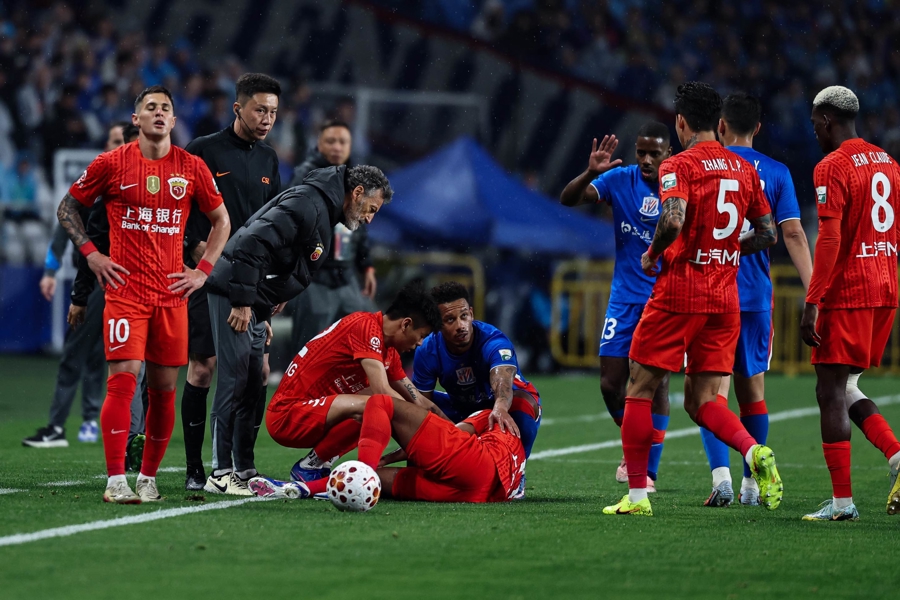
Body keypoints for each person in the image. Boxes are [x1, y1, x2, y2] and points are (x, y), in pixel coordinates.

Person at [603, 82, 780, 517]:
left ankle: (637, 497)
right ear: (718, 123)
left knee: (639, 388)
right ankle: (753, 451)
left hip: (679, 293)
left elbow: (673, 218)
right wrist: (728, 249)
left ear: (681, 122)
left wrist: (653, 253)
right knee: (703, 401)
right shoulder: (743, 169)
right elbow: (768, 233)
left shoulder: (678, 165)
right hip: (725, 300)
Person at [56, 85, 230, 504]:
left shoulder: (191, 167)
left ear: (174, 120)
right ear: (136, 119)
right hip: (125, 294)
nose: (158, 113)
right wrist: (93, 255)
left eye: (165, 108)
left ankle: (147, 478)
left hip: (172, 296)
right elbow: (67, 208)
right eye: (150, 107)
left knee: (163, 391)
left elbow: (221, 221)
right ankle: (116, 480)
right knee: (122, 382)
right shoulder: (111, 163)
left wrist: (202, 272)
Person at [201, 163, 392, 494]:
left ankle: (243, 468)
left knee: (255, 378)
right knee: (234, 379)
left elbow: (278, 263)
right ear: (357, 193)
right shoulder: (308, 202)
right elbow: (251, 244)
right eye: (371, 209)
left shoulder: (324, 211)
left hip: (254, 301)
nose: (369, 219)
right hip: (234, 294)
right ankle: (220, 473)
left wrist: (262, 311)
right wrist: (243, 303)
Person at [698, 92, 813, 507]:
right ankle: (751, 486)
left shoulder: (705, 166)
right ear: (758, 128)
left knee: (711, 392)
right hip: (755, 297)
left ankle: (721, 479)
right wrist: (814, 291)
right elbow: (792, 233)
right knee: (754, 393)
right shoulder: (777, 172)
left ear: (721, 125)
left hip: (711, 291)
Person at [799, 85, 900, 521]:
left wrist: (813, 300)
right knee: (846, 386)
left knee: (829, 391)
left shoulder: (832, 166)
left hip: (850, 293)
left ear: (827, 121)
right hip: (885, 288)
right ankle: (897, 457)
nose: (814, 132)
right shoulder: (889, 163)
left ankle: (842, 504)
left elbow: (831, 237)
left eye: (814, 125)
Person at [244, 281, 443, 498]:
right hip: (287, 415)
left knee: (379, 406)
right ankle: (337, 472)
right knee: (377, 405)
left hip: (317, 412)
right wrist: (423, 425)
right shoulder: (366, 328)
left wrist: (453, 430)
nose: (420, 343)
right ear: (406, 324)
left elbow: (416, 399)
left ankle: (313, 467)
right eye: (421, 335)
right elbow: (383, 392)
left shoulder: (389, 352)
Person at [179, 73, 282, 491]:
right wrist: (194, 249)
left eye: (273, 112)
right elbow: (180, 205)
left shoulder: (269, 159)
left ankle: (242, 467)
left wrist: (270, 284)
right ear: (238, 107)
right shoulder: (203, 150)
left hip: (252, 281)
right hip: (207, 278)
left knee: (255, 371)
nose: (267, 119)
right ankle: (195, 468)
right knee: (203, 367)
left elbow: (274, 223)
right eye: (260, 110)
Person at [559, 122, 673, 492]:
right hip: (623, 299)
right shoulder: (621, 179)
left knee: (655, 383)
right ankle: (634, 444)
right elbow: (569, 199)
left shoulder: (678, 185)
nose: (646, 160)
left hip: (663, 298)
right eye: (641, 152)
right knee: (610, 384)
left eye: (654, 153)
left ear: (668, 154)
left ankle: (647, 470)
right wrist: (590, 172)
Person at [23, 122, 134, 449]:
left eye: (123, 141)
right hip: (96, 278)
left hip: (122, 281)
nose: (118, 146)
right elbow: (64, 224)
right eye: (114, 140)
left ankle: (85, 423)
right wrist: (50, 270)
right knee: (86, 349)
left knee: (101, 353)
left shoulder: (136, 182)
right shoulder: (97, 180)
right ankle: (76, 422)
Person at [251, 396, 527, 504]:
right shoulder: (518, 448)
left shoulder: (490, 414)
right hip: (476, 495)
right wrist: (394, 456)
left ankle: (337, 471)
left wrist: (397, 447)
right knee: (376, 483)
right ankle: (304, 489)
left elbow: (459, 435)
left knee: (380, 403)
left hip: (478, 464)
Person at [409, 281, 540, 498]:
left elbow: (502, 380)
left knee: (522, 406)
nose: (460, 325)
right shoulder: (427, 350)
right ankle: (425, 468)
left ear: (471, 313)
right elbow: (421, 402)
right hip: (462, 407)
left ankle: (517, 474)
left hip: (502, 404)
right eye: (450, 320)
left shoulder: (494, 340)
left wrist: (500, 407)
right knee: (408, 405)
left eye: (463, 316)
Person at [287, 120, 377, 353]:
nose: (337, 147)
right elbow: (292, 224)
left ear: (350, 146)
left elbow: (362, 225)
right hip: (315, 277)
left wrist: (366, 265)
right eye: (331, 141)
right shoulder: (305, 175)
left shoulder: (357, 178)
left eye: (342, 142)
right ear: (319, 144)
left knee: (364, 340)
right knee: (308, 350)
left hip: (346, 276)